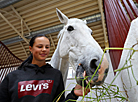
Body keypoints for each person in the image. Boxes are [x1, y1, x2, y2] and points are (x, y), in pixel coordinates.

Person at [0, 34, 90, 102]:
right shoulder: (13, 76)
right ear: (30, 49)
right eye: (40, 46)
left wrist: (74, 94)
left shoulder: (55, 75)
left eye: (47, 47)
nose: (44, 49)